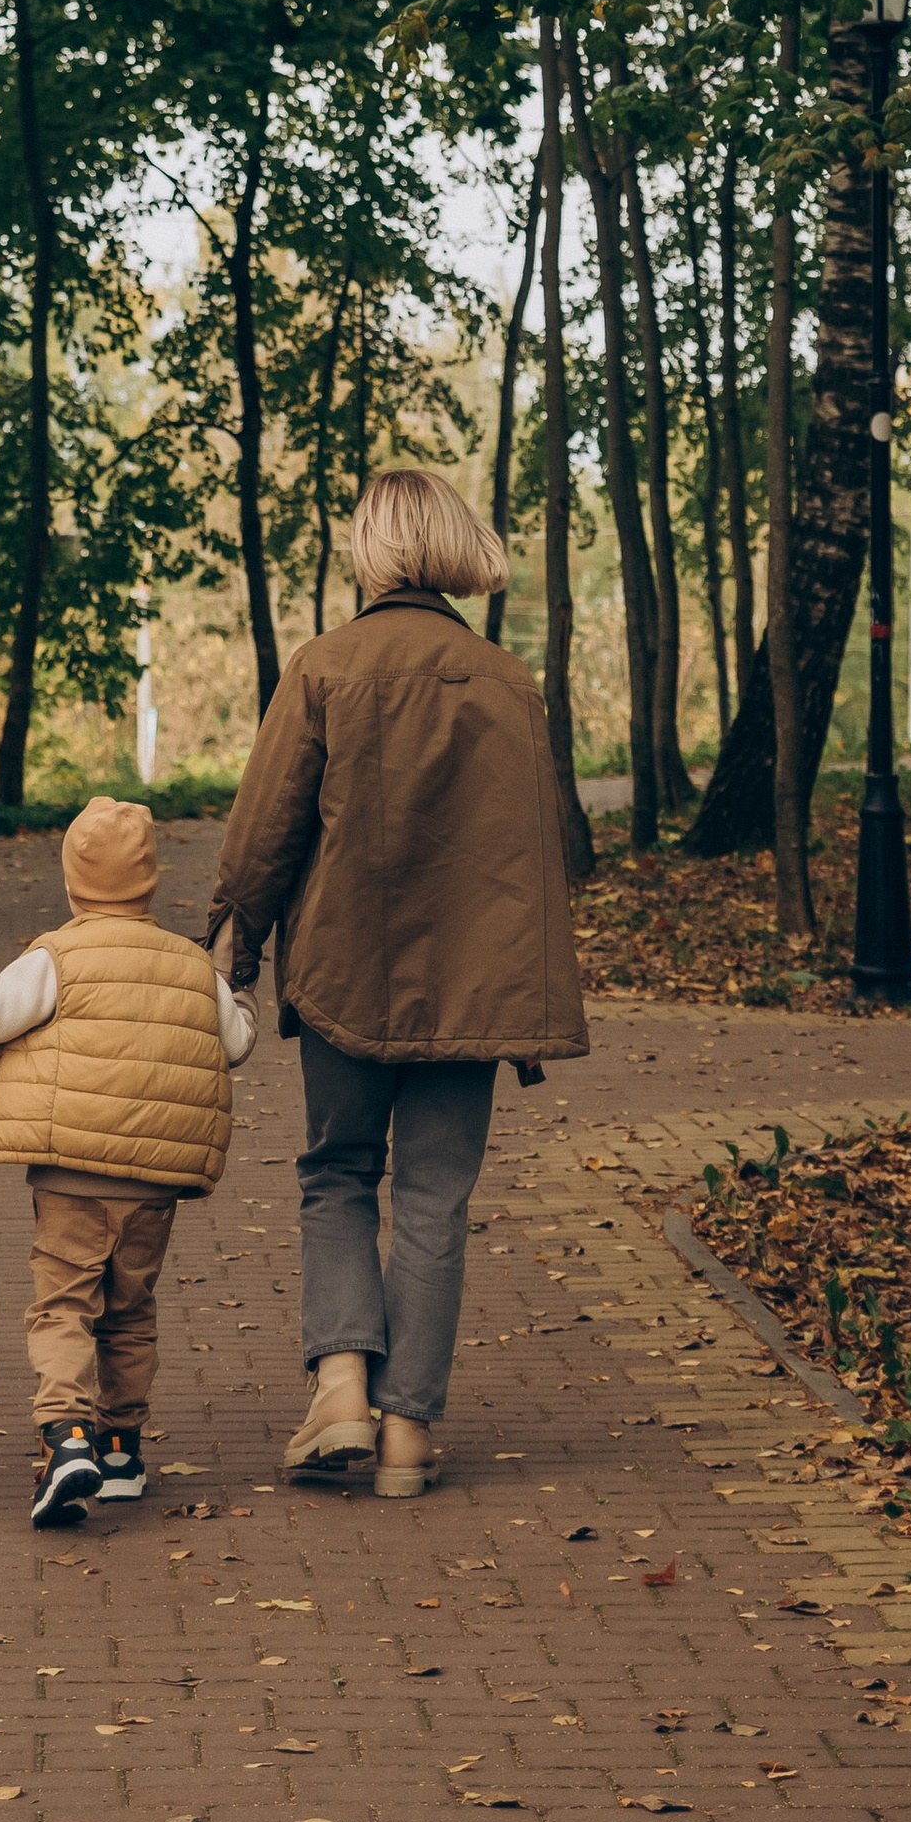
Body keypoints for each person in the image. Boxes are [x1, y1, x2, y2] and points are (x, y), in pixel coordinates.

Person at [209, 465, 588, 1499]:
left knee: (337, 1170)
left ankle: (339, 1389)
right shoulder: (510, 683)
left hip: (343, 971)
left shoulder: (324, 668)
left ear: (371, 550)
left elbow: (264, 834)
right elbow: (545, 847)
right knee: (434, 1196)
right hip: (475, 987)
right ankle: (409, 1437)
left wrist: (234, 945)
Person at [0, 796, 256, 1526]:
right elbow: (235, 1041)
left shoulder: (56, 955)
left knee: (63, 1304)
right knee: (131, 1307)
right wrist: (234, 986)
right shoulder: (189, 963)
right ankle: (120, 1448)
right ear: (149, 879)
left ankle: (66, 1435)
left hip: (71, 1173)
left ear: (73, 880)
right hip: (155, 1183)